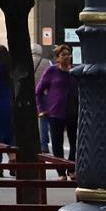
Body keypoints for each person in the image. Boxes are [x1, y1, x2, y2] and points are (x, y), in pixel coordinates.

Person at [35, 44, 78, 177]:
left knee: (74, 143)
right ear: (57, 58)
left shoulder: (75, 72)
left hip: (73, 112)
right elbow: (38, 91)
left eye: (68, 54)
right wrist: (42, 109)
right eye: (63, 55)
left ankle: (71, 169)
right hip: (55, 113)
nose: (67, 57)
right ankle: (61, 173)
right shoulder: (51, 71)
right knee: (57, 144)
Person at [31, 44, 53, 152]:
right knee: (43, 120)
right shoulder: (47, 62)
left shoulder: (27, 61)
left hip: (30, 96)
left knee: (30, 120)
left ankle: (31, 143)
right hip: (43, 95)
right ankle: (44, 144)